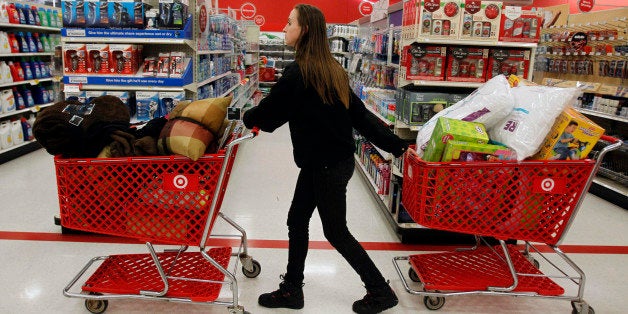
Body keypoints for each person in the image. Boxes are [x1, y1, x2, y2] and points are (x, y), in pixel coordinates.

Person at [242, 4, 407, 314]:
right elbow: (361, 116)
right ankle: (292, 289)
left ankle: (380, 291)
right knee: (297, 219)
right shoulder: (331, 68)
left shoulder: (300, 72)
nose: (285, 28)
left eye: (289, 23)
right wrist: (396, 145)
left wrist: (244, 115)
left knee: (335, 231)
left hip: (325, 165)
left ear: (304, 30)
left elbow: (269, 115)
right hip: (330, 162)